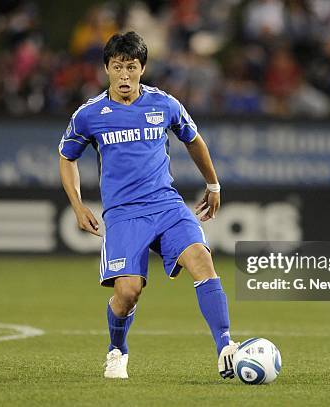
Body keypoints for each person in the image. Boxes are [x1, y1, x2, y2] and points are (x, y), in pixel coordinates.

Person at [58, 31, 238, 379]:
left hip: (166, 205)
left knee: (202, 260)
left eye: (131, 67)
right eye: (117, 67)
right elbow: (67, 157)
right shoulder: (90, 114)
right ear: (106, 69)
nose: (124, 76)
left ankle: (226, 347)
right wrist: (78, 205)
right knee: (128, 292)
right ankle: (117, 349)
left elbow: (194, 140)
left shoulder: (165, 104)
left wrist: (213, 184)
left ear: (142, 68)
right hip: (124, 214)